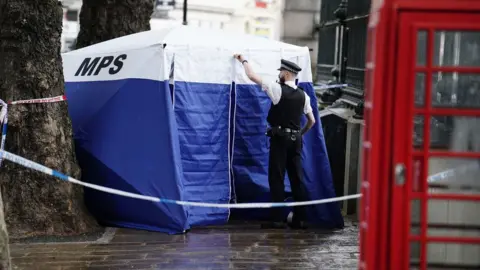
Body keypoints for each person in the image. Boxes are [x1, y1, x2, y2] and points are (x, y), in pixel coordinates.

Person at [234, 54, 316, 229]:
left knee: (277, 177)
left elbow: (252, 76)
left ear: (286, 74)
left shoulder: (277, 90)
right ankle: (300, 219)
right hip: (296, 140)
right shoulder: (304, 96)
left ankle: (278, 219)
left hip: (280, 139)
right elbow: (312, 121)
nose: (279, 74)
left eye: (281, 72)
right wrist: (300, 133)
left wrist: (244, 60)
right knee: (297, 179)